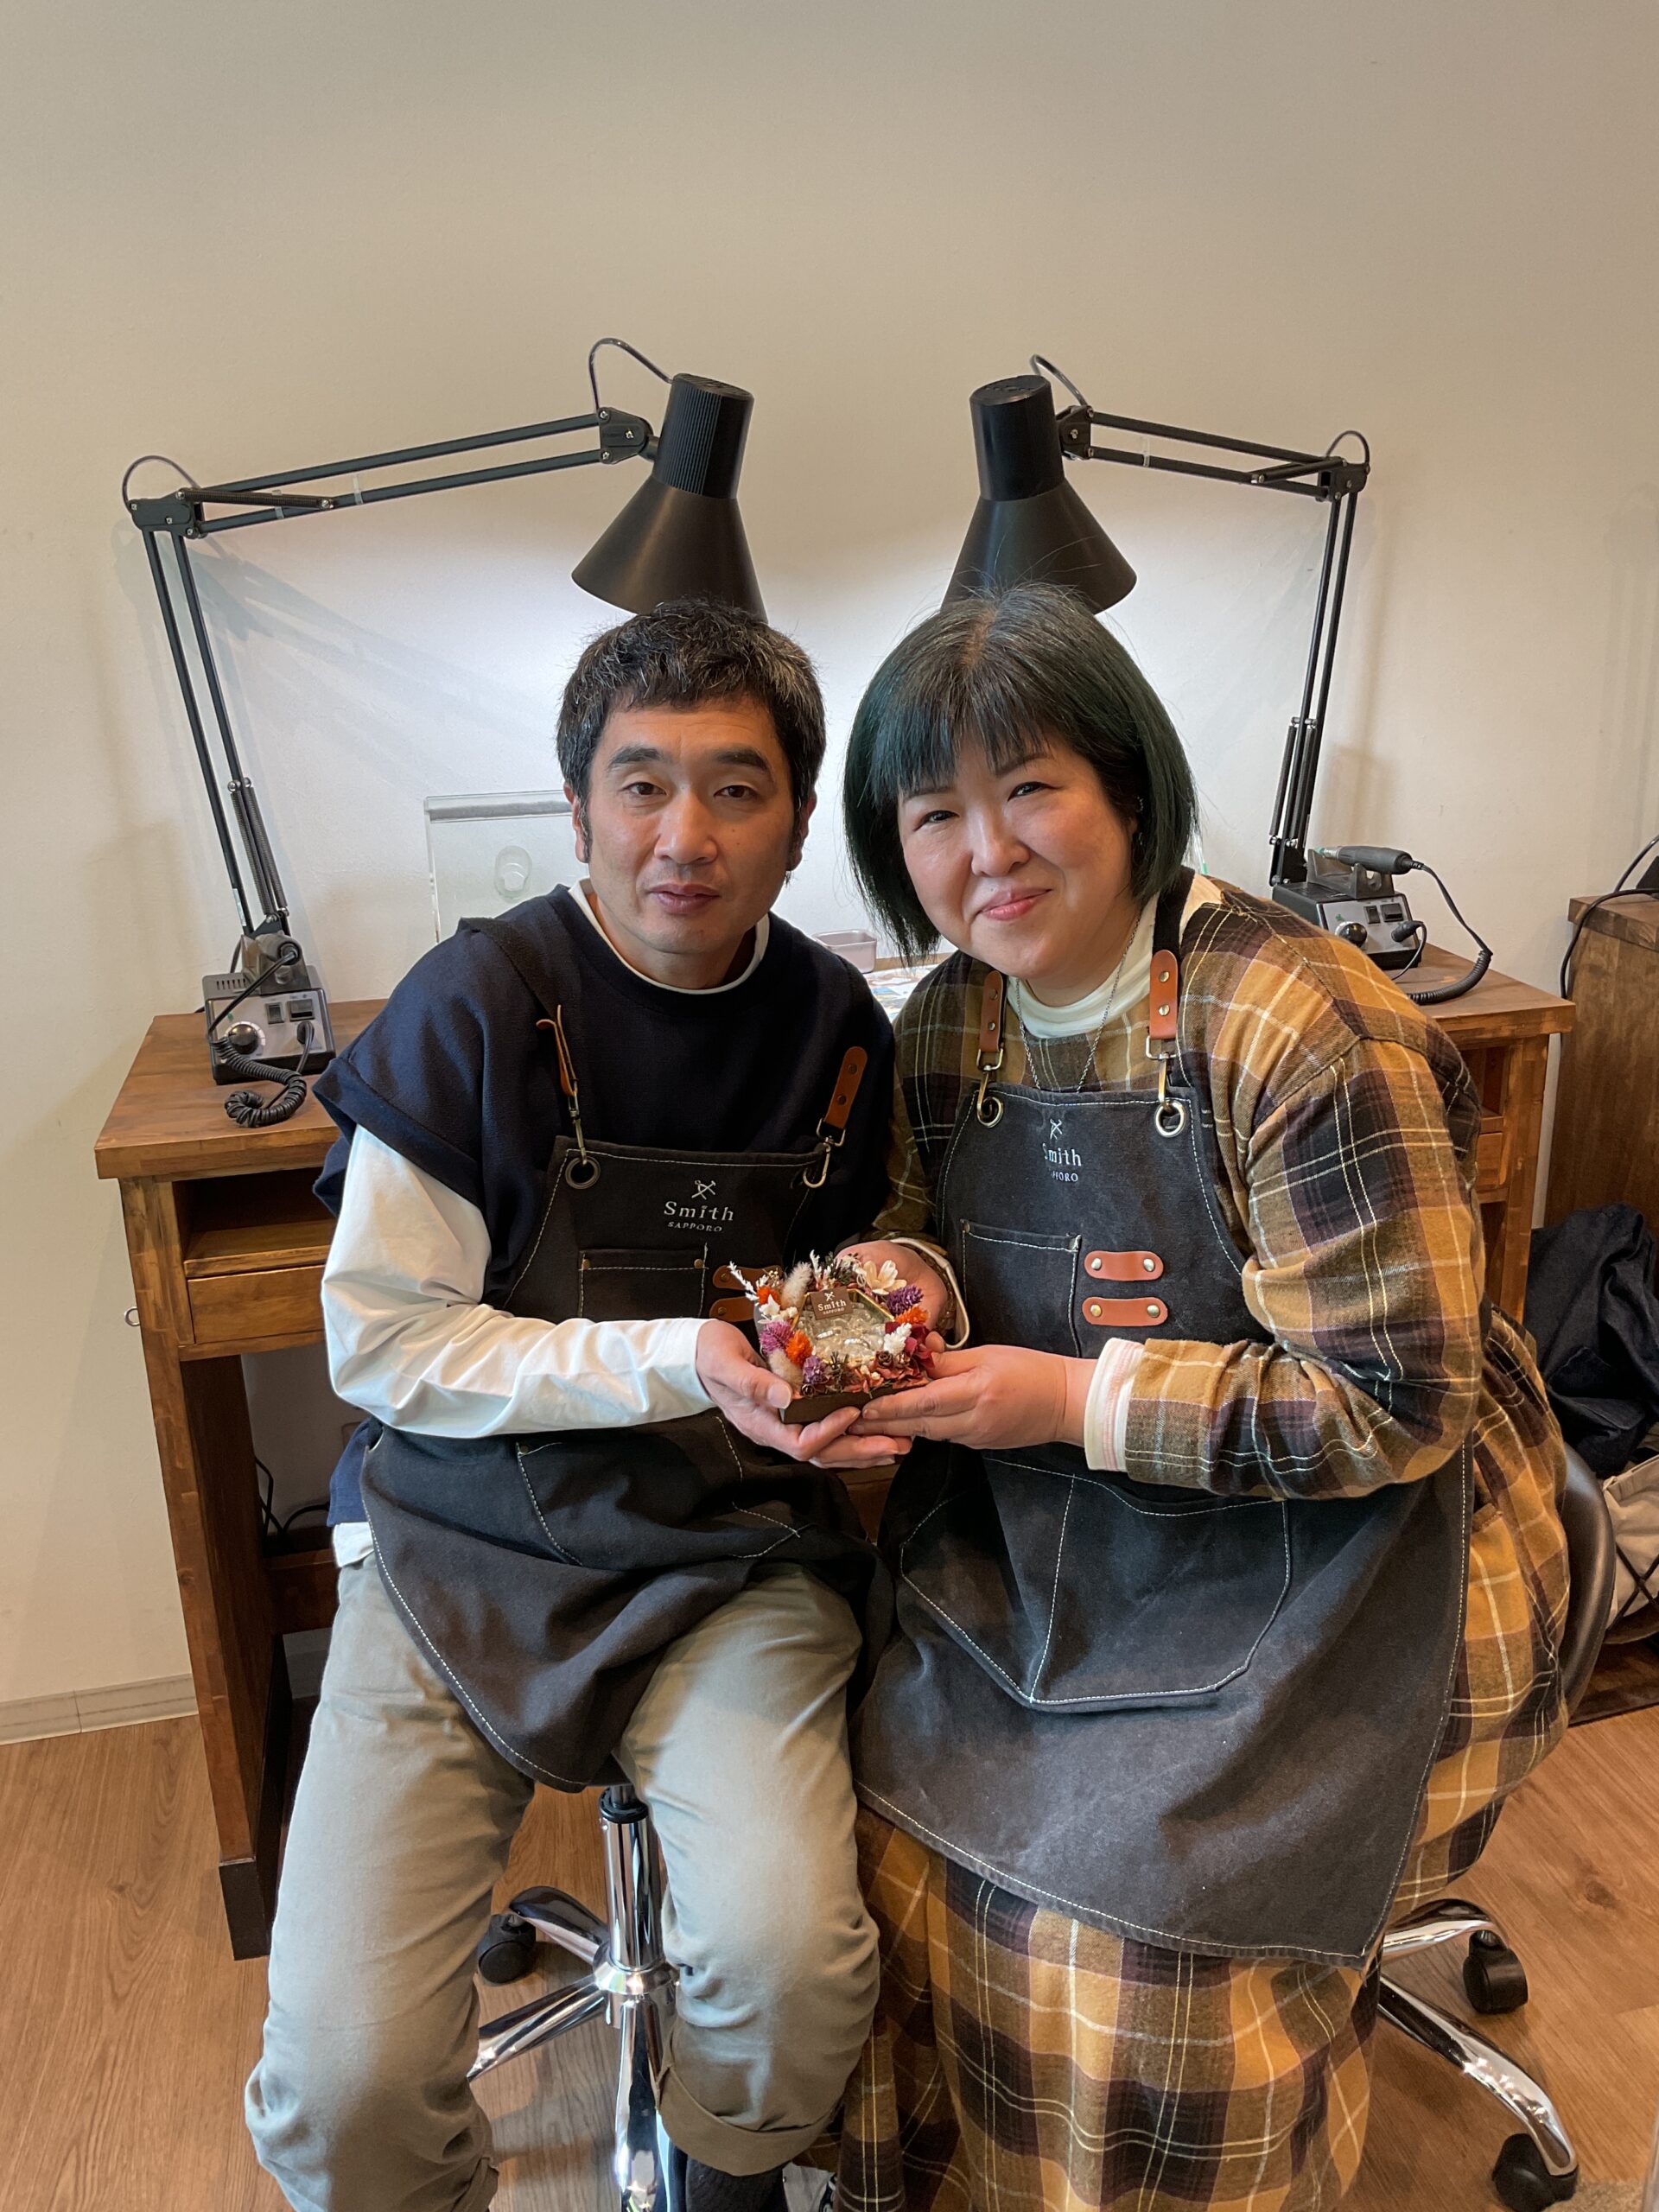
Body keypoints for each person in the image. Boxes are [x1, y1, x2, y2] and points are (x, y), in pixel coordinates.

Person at [828, 583, 1570, 2211]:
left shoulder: (1299, 1023)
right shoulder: (950, 1018)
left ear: (1127, 784)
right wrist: (904, 1288)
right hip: (1061, 1535)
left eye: (1031, 788)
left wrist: (1066, 1402)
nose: (989, 851)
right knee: (877, 1841)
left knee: (1139, 1958)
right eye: (935, 813)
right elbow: (921, 1218)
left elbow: (1394, 1402)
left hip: (1350, 1553)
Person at [245, 601, 929, 2212]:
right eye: (641, 786)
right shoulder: (475, 1006)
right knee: (345, 2080)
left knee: (790, 1970)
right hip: (456, 1548)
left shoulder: (838, 1030)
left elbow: (845, 1275)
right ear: (576, 810)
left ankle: (725, 2171)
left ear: (797, 824)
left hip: (730, 1553)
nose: (684, 837)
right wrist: (678, 1358)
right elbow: (384, 1347)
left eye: (736, 789)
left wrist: (890, 1301)